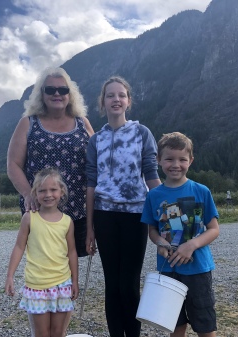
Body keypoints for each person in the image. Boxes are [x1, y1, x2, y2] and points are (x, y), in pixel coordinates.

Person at [85, 76, 161, 337]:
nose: (115, 99)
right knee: (112, 284)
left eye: (121, 95)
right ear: (102, 102)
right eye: (110, 95)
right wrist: (90, 228)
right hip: (105, 217)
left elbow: (151, 174)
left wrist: (166, 211)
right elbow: (91, 183)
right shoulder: (96, 140)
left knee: (129, 284)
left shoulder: (142, 133)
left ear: (128, 101)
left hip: (135, 216)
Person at [7, 67, 94, 257]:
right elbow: (13, 165)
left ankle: (71, 289)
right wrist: (28, 195)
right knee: (44, 262)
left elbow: (97, 163)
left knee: (72, 261)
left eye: (62, 90)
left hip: (78, 210)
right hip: (40, 208)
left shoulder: (83, 123)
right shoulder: (28, 123)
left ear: (70, 95)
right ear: (41, 94)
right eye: (50, 89)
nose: (57, 94)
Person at [141, 132, 220, 337]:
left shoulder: (201, 191)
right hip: (168, 270)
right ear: (158, 160)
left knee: (204, 323)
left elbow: (213, 229)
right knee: (174, 323)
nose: (175, 164)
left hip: (198, 269)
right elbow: (152, 230)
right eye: (169, 159)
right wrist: (159, 242)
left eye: (182, 159)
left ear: (190, 161)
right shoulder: (154, 195)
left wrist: (191, 245)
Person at [5, 168, 79, 337]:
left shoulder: (67, 222)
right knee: (42, 333)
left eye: (53, 189)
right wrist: (10, 276)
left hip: (62, 285)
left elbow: (72, 253)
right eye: (42, 190)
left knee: (58, 332)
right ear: (35, 193)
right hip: (36, 286)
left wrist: (75, 281)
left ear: (62, 192)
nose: (48, 194)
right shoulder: (29, 218)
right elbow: (18, 247)